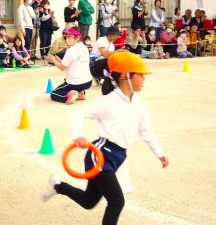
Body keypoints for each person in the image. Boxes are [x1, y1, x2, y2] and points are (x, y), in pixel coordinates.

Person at [42, 51, 169, 225]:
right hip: (100, 155)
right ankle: (58, 186)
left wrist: (159, 153)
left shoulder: (139, 103)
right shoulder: (108, 101)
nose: (144, 79)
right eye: (141, 74)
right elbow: (78, 114)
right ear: (126, 76)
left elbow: (145, 131)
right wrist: (77, 135)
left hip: (118, 156)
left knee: (89, 201)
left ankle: (57, 186)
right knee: (117, 201)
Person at [46, 27, 92, 104]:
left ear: (77, 38)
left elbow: (62, 68)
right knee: (73, 83)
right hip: (88, 82)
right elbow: (73, 63)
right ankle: (81, 93)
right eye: (66, 36)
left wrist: (53, 60)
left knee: (54, 94)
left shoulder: (71, 50)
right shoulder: (84, 47)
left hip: (75, 83)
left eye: (70, 37)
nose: (67, 39)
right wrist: (59, 61)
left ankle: (69, 96)